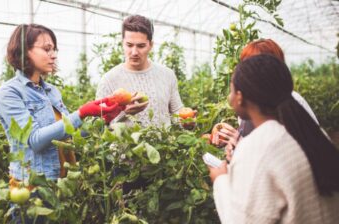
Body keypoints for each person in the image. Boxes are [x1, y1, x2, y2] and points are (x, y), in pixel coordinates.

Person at [207, 54, 339, 223]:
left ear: (240, 97)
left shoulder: (256, 147)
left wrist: (220, 180)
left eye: (231, 90)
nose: (229, 97)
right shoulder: (315, 134)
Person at [0, 24, 119, 183]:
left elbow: (69, 137)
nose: (53, 55)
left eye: (54, 50)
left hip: (64, 183)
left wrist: (104, 120)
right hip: (34, 186)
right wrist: (82, 113)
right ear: (24, 50)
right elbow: (35, 140)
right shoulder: (9, 93)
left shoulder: (51, 91)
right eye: (47, 49)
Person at [211, 39, 319, 159]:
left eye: (257, 64)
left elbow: (301, 157)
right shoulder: (248, 105)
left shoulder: (294, 101)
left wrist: (243, 147)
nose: (248, 70)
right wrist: (231, 142)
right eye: (245, 64)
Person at [96, 15, 184, 127]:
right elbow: (99, 126)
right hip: (125, 144)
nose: (134, 52)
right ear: (122, 43)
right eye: (129, 45)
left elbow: (177, 113)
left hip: (163, 144)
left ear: (150, 45)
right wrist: (125, 113)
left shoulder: (167, 75)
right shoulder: (109, 80)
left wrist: (187, 122)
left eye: (141, 46)